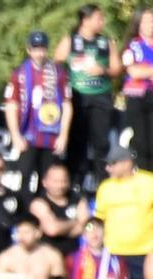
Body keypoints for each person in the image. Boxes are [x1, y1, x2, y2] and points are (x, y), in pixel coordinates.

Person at [55, 4, 121, 191]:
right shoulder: (71, 40)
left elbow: (117, 68)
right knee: (77, 143)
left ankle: (103, 186)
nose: (102, 22)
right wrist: (71, 70)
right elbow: (57, 64)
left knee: (101, 144)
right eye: (98, 18)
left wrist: (103, 70)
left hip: (101, 97)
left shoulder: (106, 42)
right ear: (86, 20)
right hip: (78, 96)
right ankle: (73, 186)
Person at [5, 32, 72, 197]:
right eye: (36, 49)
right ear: (29, 50)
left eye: (42, 49)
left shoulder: (58, 73)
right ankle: (26, 218)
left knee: (49, 180)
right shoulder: (20, 73)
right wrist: (15, 135)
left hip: (51, 136)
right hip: (27, 135)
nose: (40, 53)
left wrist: (63, 135)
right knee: (25, 176)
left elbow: (67, 104)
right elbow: (11, 105)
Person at [93, 143, 153, 279]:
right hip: (115, 255)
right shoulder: (105, 187)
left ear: (127, 163)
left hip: (146, 253)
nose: (107, 168)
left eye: (112, 164)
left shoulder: (148, 182)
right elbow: (98, 220)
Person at [28, 163, 90, 259]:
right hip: (47, 258)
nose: (60, 185)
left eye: (63, 181)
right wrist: (75, 223)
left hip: (73, 258)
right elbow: (52, 229)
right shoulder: (39, 203)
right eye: (55, 181)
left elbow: (87, 227)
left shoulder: (79, 200)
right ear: (44, 182)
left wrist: (61, 226)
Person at [124, 9, 153, 172]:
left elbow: (141, 70)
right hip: (137, 97)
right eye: (146, 21)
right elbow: (133, 71)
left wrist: (146, 71)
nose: (150, 25)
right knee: (141, 142)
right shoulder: (133, 45)